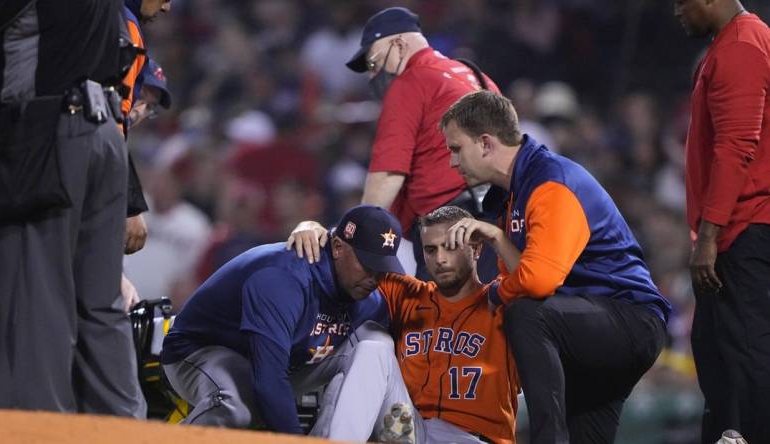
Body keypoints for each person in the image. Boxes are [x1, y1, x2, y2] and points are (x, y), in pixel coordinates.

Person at [439, 90, 671, 444]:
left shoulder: (551, 181)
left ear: (485, 143)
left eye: (456, 148)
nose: (452, 162)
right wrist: (499, 240)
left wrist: (494, 296)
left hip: (627, 320)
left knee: (525, 315)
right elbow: (531, 276)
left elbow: (538, 282)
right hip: (586, 324)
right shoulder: (516, 190)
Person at [0, 1, 145, 416]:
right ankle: (121, 431)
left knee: (37, 296)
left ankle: (37, 432)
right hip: (105, 132)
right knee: (99, 302)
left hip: (51, 132)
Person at [161, 205, 408, 435]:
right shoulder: (283, 278)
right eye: (367, 264)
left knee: (377, 346)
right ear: (337, 247)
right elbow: (268, 381)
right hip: (203, 351)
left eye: (382, 267)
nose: (375, 277)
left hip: (285, 359)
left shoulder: (369, 296)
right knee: (239, 407)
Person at [288, 206, 521, 444]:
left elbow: (533, 279)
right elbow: (353, 257)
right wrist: (316, 231)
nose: (440, 259)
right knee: (373, 348)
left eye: (450, 246)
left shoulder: (500, 300)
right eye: (431, 250)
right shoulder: (409, 295)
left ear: (476, 249)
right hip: (410, 431)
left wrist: (496, 236)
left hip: (473, 438)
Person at [673, 1, 770, 443]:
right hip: (733, 227)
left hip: (745, 225)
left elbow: (736, 147)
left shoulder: (743, 44)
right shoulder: (728, 44)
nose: (677, 11)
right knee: (715, 350)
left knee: (747, 350)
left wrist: (708, 235)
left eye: (681, 1)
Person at [346, 7, 500, 281]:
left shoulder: (411, 81)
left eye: (373, 63)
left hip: (448, 232)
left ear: (399, 45)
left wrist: (358, 236)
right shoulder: (476, 76)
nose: (372, 75)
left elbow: (388, 173)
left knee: (439, 321)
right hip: (497, 222)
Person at [121, 0, 172, 256]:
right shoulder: (124, 24)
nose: (139, 111)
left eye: (149, 108)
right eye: (140, 97)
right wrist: (130, 207)